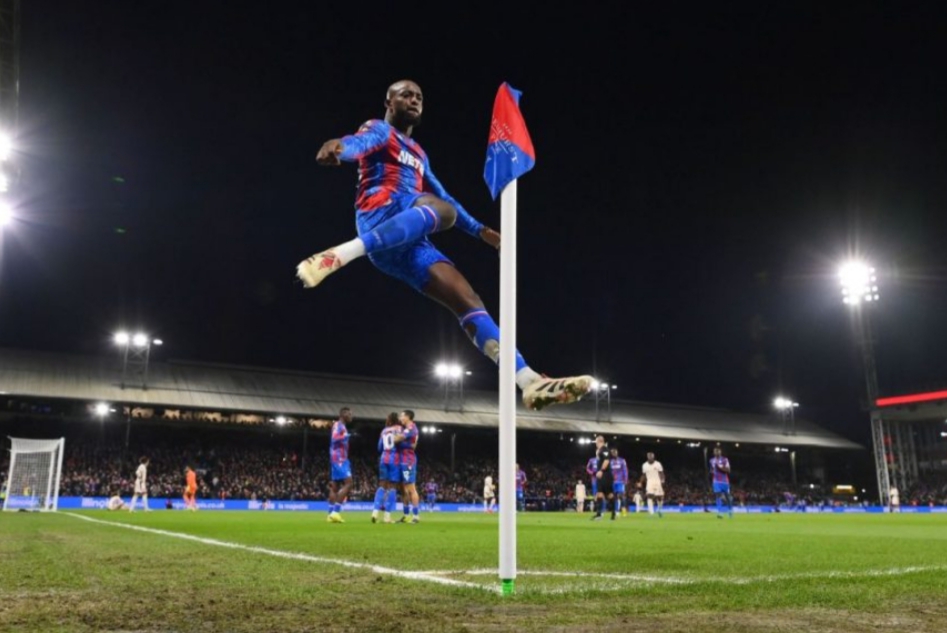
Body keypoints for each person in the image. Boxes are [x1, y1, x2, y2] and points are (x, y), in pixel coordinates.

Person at [296, 79, 593, 411]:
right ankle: (341, 253)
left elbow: (445, 196)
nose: (414, 100)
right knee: (443, 212)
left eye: (419, 97)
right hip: (380, 214)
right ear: (389, 102)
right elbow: (359, 143)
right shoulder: (380, 129)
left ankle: (529, 381)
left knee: (467, 298)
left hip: (408, 240)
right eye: (406, 95)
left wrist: (480, 231)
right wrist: (339, 146)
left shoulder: (420, 153)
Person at [372, 412, 402, 524]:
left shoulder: (384, 431)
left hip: (383, 458)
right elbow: (402, 445)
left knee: (382, 485)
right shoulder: (400, 429)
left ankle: (375, 512)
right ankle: (387, 516)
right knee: (392, 487)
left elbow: (379, 447)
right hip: (395, 460)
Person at [327, 407, 354, 523]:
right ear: (343, 414)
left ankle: (330, 514)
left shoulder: (340, 425)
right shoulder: (339, 425)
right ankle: (336, 512)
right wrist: (345, 436)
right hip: (339, 458)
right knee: (349, 483)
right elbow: (334, 439)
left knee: (335, 486)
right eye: (349, 414)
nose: (351, 416)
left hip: (335, 457)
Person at [395, 410, 420, 524]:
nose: (400, 418)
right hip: (401, 460)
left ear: (408, 417)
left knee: (411, 489)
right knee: (402, 489)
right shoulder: (405, 428)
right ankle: (406, 515)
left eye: (402, 416)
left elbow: (398, 438)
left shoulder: (411, 428)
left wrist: (390, 438)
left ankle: (415, 516)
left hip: (408, 461)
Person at [591, 436, 614, 521]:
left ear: (599, 441)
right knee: (599, 494)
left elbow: (606, 461)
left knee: (609, 495)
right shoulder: (599, 450)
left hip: (606, 475)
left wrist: (601, 470)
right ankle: (599, 514)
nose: (595, 444)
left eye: (596, 442)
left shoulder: (605, 450)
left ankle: (613, 513)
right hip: (600, 475)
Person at [709, 446, 733, 518]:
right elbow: (712, 470)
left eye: (718, 451)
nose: (716, 452)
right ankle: (720, 512)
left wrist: (720, 468)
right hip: (716, 481)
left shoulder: (725, 460)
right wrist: (712, 471)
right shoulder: (711, 460)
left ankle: (730, 511)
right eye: (715, 451)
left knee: (727, 497)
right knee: (718, 495)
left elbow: (728, 470)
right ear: (713, 452)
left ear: (720, 452)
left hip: (724, 481)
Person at [639, 452, 665, 517]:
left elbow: (661, 473)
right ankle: (651, 512)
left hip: (657, 481)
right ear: (647, 457)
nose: (650, 458)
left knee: (659, 497)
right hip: (649, 482)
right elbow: (644, 475)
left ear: (653, 457)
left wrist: (662, 480)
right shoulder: (644, 465)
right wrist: (640, 482)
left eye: (651, 456)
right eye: (649, 456)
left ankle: (659, 509)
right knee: (649, 495)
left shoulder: (658, 464)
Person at [609, 448, 627, 517]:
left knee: (622, 496)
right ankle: (616, 510)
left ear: (617, 453)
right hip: (613, 482)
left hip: (620, 481)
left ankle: (624, 510)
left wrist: (625, 479)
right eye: (612, 453)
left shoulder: (622, 460)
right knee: (614, 496)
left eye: (615, 452)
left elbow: (625, 470)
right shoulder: (610, 461)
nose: (614, 454)